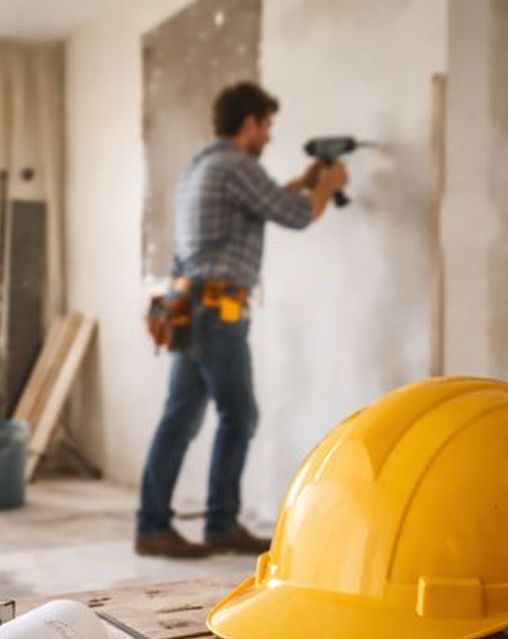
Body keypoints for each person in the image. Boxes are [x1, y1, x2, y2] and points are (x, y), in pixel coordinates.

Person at [135, 81, 348, 558]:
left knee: (181, 418)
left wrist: (303, 182)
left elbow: (261, 205)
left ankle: (154, 526)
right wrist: (327, 188)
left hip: (193, 307)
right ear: (249, 123)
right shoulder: (237, 164)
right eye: (267, 125)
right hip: (218, 311)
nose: (269, 136)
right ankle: (221, 523)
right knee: (239, 414)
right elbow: (293, 215)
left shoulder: (202, 167)